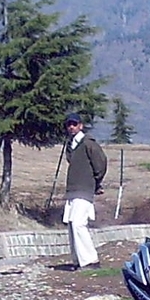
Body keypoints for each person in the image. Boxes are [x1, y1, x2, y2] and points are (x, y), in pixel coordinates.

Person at [61, 112, 107, 270]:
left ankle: (90, 261)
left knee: (79, 224)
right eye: (69, 124)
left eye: (74, 124)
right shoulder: (71, 145)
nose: (71, 127)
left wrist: (96, 181)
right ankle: (78, 261)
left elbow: (101, 163)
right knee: (72, 224)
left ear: (81, 125)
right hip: (73, 190)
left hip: (84, 189)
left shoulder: (88, 143)